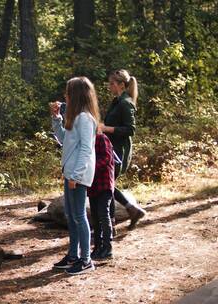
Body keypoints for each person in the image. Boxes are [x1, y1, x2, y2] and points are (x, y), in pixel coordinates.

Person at [50, 76, 99, 275]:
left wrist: (76, 176)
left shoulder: (85, 119)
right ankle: (73, 255)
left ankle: (86, 259)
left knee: (79, 216)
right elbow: (63, 140)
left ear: (76, 95)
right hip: (70, 173)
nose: (64, 96)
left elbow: (86, 150)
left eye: (68, 92)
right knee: (71, 216)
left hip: (78, 175)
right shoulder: (75, 117)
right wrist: (56, 119)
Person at [100, 69, 146, 230]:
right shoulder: (117, 101)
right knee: (108, 185)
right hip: (111, 149)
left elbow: (130, 129)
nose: (109, 86)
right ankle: (130, 211)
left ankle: (112, 223)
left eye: (112, 83)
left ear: (121, 85)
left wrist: (106, 129)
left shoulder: (126, 103)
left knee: (107, 186)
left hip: (120, 152)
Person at [88, 132, 115, 260]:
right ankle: (97, 246)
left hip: (104, 183)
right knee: (94, 215)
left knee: (104, 214)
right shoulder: (85, 140)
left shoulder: (102, 138)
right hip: (92, 184)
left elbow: (106, 158)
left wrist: (89, 167)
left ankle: (107, 247)